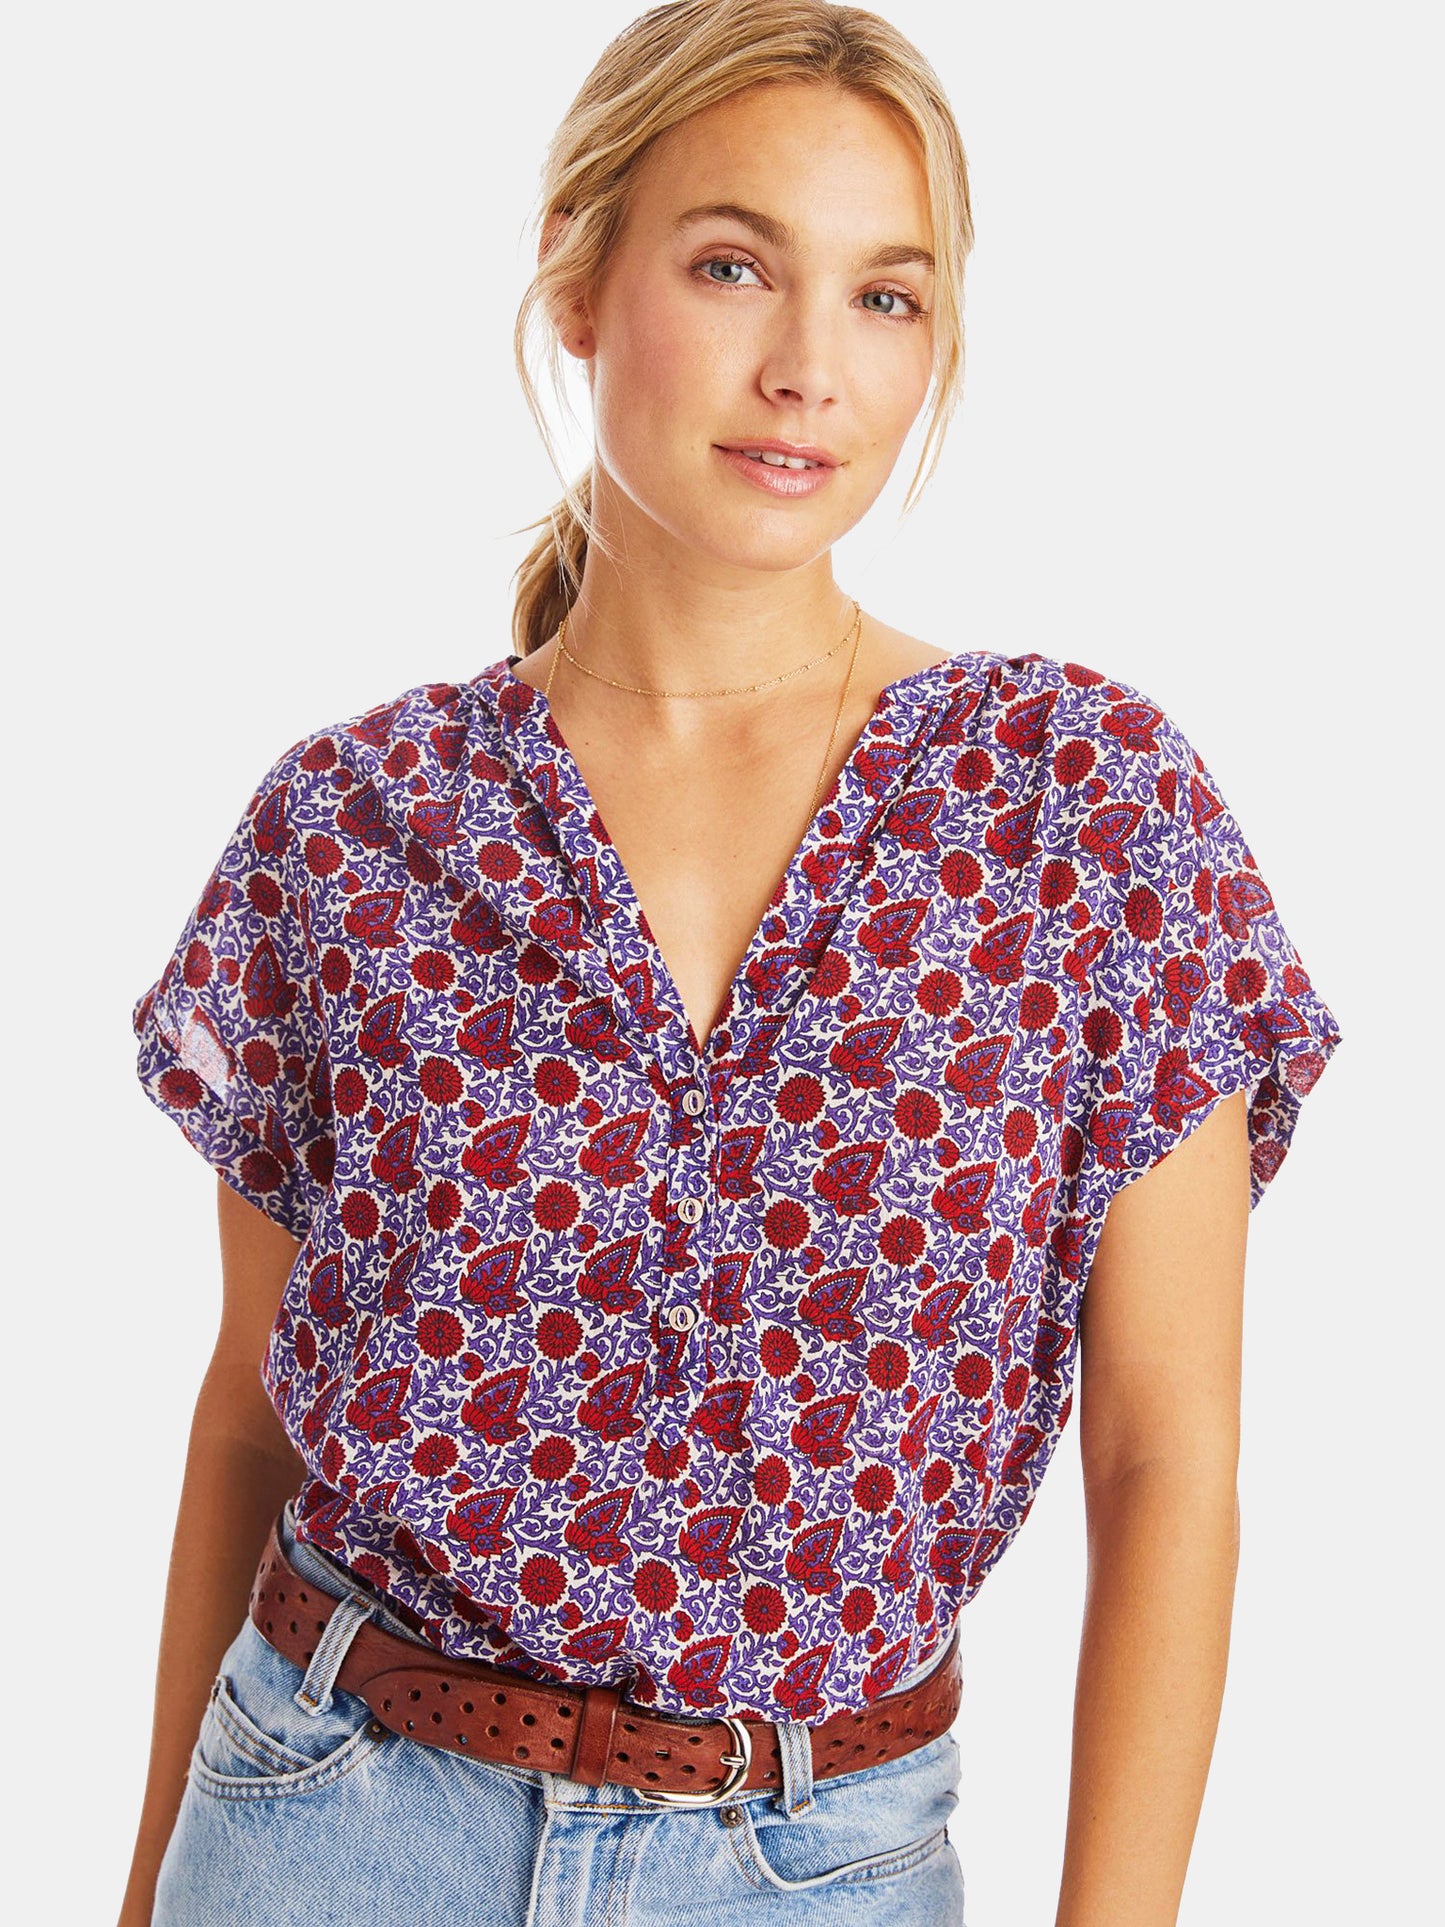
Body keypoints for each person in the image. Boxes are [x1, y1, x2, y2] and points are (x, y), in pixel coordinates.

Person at [117, 4, 1344, 1923]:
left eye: (886, 298)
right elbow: (248, 1421)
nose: (807, 371)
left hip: (816, 1864)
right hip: (327, 1827)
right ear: (577, 280)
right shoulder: (352, 827)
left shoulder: (1083, 811)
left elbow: (1165, 1457)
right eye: (731, 266)